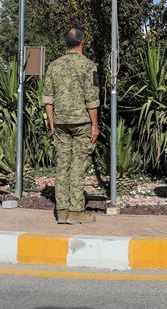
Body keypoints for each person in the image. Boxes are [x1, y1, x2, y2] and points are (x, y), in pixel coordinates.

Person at [43, 28, 99, 225]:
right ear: (82, 42)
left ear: (66, 43)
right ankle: (76, 210)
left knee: (62, 164)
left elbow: (48, 97)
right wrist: (95, 124)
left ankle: (62, 211)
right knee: (77, 166)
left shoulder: (54, 66)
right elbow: (92, 99)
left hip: (60, 122)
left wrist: (51, 121)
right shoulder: (88, 66)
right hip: (81, 122)